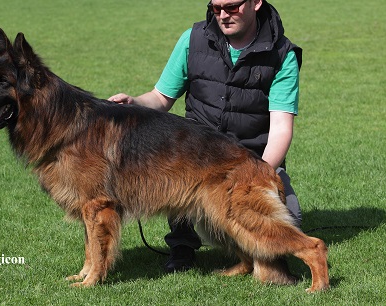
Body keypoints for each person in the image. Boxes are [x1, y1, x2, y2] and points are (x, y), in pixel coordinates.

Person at [109, 0, 302, 273]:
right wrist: (135, 102)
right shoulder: (192, 40)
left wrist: (256, 177)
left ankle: (246, 248)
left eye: (232, 7)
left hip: (251, 158)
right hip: (197, 158)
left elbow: (281, 128)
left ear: (256, 3)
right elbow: (161, 98)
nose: (223, 15)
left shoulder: (282, 54)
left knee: (285, 228)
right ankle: (182, 246)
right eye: (216, 7)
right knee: (176, 174)